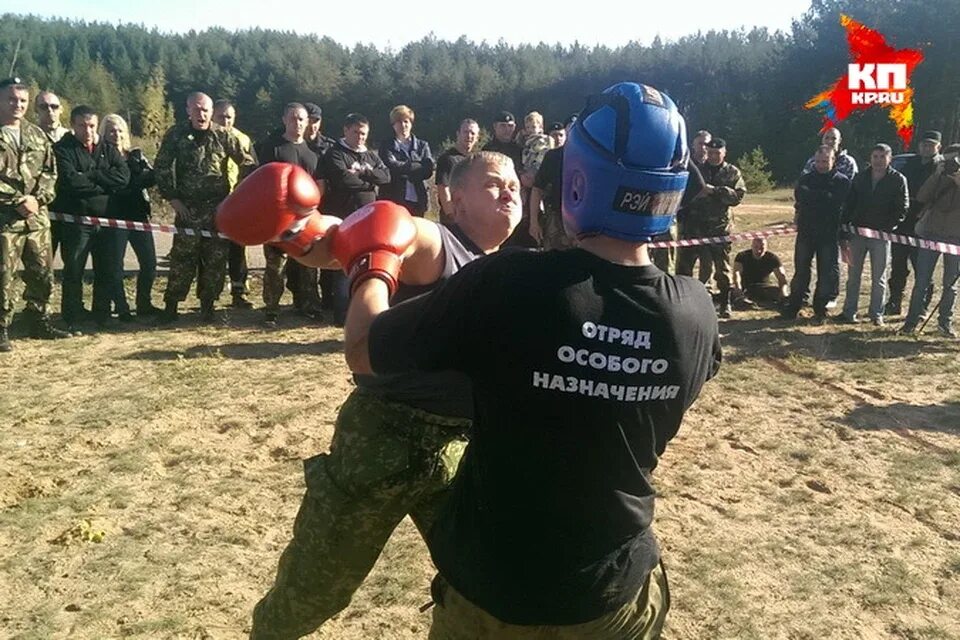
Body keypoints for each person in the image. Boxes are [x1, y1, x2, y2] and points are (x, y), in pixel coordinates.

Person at [338, 81, 721, 638]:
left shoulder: (506, 283)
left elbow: (363, 352)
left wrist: (373, 262)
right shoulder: (696, 313)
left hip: (492, 591)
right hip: (610, 596)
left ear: (577, 182)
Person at [217, 150, 524, 638]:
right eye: (493, 183)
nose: (509, 192)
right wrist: (297, 230)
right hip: (381, 444)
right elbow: (364, 233)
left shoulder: (505, 267)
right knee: (315, 587)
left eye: (514, 186)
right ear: (453, 198)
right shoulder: (437, 241)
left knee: (488, 579)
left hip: (461, 451)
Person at [154, 91, 256, 324]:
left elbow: (248, 163)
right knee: (182, 259)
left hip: (217, 210)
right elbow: (161, 166)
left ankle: (208, 306)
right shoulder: (176, 134)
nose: (201, 114)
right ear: (188, 110)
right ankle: (171, 306)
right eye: (197, 109)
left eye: (206, 110)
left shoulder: (223, 135)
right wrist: (172, 199)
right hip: (187, 209)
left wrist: (235, 197)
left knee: (215, 261)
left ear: (211, 112)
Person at [0, 77, 71, 352]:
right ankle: (2, 327)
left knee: (42, 272)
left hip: (36, 218)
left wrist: (37, 198)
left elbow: (50, 173)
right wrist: (17, 199)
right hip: (6, 218)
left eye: (22, 101)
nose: (17, 105)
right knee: (4, 275)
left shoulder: (36, 134)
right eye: (11, 99)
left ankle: (38, 319)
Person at [52, 105, 130, 329]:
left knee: (105, 269)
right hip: (77, 222)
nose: (88, 131)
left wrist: (91, 175)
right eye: (82, 126)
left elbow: (123, 178)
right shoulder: (63, 149)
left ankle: (102, 314)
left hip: (106, 220)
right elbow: (69, 182)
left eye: (92, 126)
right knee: (74, 270)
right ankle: (73, 315)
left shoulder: (107, 147)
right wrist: (103, 181)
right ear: (72, 125)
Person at [254, 102, 323, 326]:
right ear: (284, 120)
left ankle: (308, 306)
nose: (298, 123)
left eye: (302, 119)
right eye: (293, 118)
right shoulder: (273, 148)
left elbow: (318, 185)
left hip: (306, 219)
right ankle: (271, 310)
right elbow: (263, 182)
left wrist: (312, 211)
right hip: (278, 219)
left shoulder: (312, 153)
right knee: (276, 267)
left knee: (308, 264)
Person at [319, 112, 390, 325]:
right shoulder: (335, 154)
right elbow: (343, 181)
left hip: (368, 219)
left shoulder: (370, 155)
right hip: (344, 218)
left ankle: (363, 309)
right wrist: (369, 181)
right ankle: (342, 314)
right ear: (345, 130)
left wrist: (363, 173)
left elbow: (386, 177)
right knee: (344, 265)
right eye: (356, 132)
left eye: (364, 134)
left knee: (366, 264)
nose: (360, 137)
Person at [99, 113, 162, 319]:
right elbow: (107, 182)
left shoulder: (136, 155)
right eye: (111, 130)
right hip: (115, 215)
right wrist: (131, 182)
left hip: (139, 215)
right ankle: (122, 307)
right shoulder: (101, 156)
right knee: (115, 265)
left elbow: (152, 177)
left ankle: (144, 303)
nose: (116, 134)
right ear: (104, 133)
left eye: (119, 130)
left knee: (149, 263)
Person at [676, 137, 746, 318]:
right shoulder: (698, 170)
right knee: (684, 267)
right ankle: (681, 304)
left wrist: (714, 190)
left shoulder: (732, 172)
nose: (714, 156)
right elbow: (685, 191)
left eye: (718, 153)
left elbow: (737, 198)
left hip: (718, 228)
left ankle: (725, 303)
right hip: (693, 227)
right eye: (711, 152)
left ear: (725, 152)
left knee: (722, 270)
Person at [839, 143, 908, 326]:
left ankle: (876, 314)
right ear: (870, 158)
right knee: (853, 276)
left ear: (889, 158)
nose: (878, 160)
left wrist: (888, 228)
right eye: (875, 156)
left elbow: (902, 208)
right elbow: (850, 204)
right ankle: (849, 312)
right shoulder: (860, 178)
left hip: (882, 236)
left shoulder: (898, 179)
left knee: (879, 278)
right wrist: (846, 228)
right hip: (858, 234)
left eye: (882, 157)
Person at [782, 145, 851, 323]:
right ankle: (794, 305)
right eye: (818, 161)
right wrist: (823, 197)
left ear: (833, 160)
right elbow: (801, 198)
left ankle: (820, 309)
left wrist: (815, 198)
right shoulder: (805, 179)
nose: (821, 164)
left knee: (826, 272)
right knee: (801, 271)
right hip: (806, 233)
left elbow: (835, 203)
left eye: (825, 161)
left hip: (829, 234)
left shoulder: (842, 181)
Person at [900, 143, 960, 338]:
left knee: (950, 284)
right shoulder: (938, 175)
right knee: (921, 281)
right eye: (948, 161)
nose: (952, 165)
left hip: (956, 237)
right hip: (931, 233)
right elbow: (921, 196)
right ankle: (911, 322)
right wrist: (937, 175)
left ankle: (945, 323)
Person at [887, 130, 942, 315]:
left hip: (926, 223)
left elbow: (938, 197)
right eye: (923, 144)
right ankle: (894, 302)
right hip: (904, 221)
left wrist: (924, 212)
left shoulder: (941, 168)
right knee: (898, 266)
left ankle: (922, 307)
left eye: (930, 144)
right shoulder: (909, 164)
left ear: (938, 147)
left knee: (923, 268)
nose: (926, 148)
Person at [214, 99, 256, 309]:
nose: (225, 121)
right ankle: (208, 295)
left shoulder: (243, 139)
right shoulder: (206, 137)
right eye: (221, 116)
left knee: (237, 251)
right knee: (210, 249)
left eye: (229, 117)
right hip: (211, 201)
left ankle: (239, 292)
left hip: (236, 203)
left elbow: (253, 170)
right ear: (213, 116)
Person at [378, 104, 434, 217]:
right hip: (394, 199)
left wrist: (404, 167)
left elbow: (428, 169)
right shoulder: (386, 146)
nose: (403, 125)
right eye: (399, 122)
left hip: (418, 200)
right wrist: (416, 167)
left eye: (406, 121)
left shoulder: (422, 145)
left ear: (411, 123)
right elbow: (391, 167)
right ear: (393, 125)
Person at [34, 91, 71, 260]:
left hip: (69, 205)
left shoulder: (71, 136)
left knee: (72, 263)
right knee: (41, 264)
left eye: (54, 106)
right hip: (41, 207)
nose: (50, 110)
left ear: (61, 109)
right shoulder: (29, 136)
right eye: (44, 106)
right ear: (36, 110)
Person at [529, 119, 574, 250]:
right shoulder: (553, 156)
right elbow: (537, 189)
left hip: (585, 221)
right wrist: (534, 222)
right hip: (557, 218)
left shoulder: (591, 156)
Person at [435, 118, 479, 225]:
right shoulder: (447, 159)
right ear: (458, 134)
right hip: (453, 218)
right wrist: (451, 215)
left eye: (472, 133)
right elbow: (443, 189)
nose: (469, 136)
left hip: (472, 217)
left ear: (477, 138)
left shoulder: (476, 160)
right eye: (465, 132)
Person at [732, 237, 789, 307]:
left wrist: (783, 293)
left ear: (766, 247)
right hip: (745, 287)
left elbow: (782, 278)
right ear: (751, 246)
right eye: (756, 247)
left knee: (778, 292)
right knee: (731, 293)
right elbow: (736, 274)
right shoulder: (742, 256)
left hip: (764, 287)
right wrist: (738, 288)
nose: (759, 251)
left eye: (762, 248)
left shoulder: (772, 258)